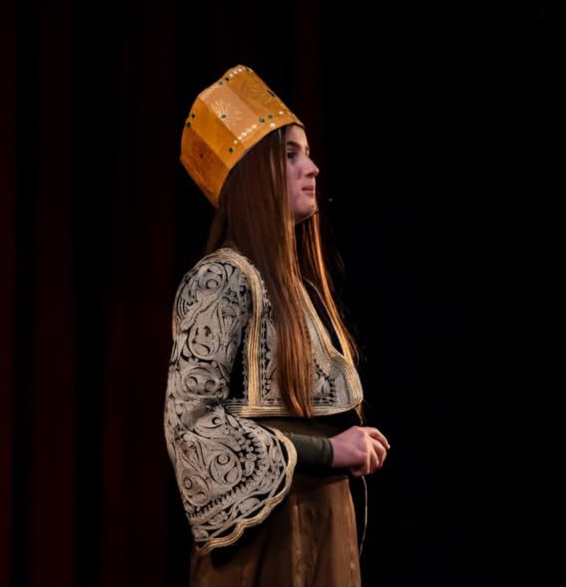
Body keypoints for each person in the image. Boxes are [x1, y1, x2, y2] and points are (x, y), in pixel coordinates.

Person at [163, 64, 391, 587]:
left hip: (321, 527)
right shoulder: (221, 279)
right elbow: (192, 425)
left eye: (306, 153)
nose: (312, 168)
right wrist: (330, 451)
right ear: (253, 174)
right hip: (265, 546)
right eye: (290, 155)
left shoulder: (298, 289)